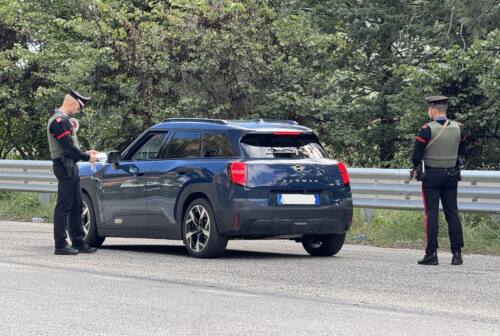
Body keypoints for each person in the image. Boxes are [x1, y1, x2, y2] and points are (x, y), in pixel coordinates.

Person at [411, 95, 466, 265]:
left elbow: (416, 155)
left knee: (432, 214)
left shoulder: (427, 129)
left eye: (429, 108)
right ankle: (457, 254)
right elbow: (461, 151)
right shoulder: (459, 128)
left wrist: (416, 167)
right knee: (452, 213)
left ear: (433, 109)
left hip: (431, 177)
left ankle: (431, 254)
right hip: (451, 175)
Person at [47, 89, 98, 255]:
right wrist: (86, 157)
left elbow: (72, 147)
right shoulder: (59, 121)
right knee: (64, 206)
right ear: (73, 103)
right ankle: (60, 244)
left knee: (76, 204)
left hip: (71, 166)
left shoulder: (65, 120)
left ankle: (78, 241)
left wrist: (86, 153)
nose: (79, 111)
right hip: (64, 166)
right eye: (79, 107)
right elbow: (68, 148)